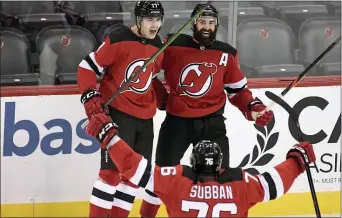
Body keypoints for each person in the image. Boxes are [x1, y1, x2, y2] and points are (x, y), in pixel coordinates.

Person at [86, 113, 317, 218]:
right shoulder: (240, 183)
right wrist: (297, 161)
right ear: (220, 166)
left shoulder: (176, 180)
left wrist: (110, 138)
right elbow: (274, 183)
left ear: (193, 163)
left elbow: (134, 168)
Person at [154, 1, 274, 191]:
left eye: (211, 22)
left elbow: (238, 91)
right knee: (162, 176)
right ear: (193, 24)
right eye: (202, 22)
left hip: (212, 124)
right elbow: (145, 71)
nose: (207, 27)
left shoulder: (226, 53)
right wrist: (161, 98)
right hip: (177, 122)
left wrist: (253, 108)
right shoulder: (172, 45)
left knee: (217, 180)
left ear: (216, 25)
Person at [77, 1, 164, 217]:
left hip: (145, 119)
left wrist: (164, 99)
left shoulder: (158, 44)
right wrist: (90, 97)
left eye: (158, 19)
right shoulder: (118, 38)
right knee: (110, 174)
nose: (155, 25)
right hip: (118, 114)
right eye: (149, 19)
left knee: (133, 178)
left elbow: (149, 77)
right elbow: (87, 67)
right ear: (137, 19)